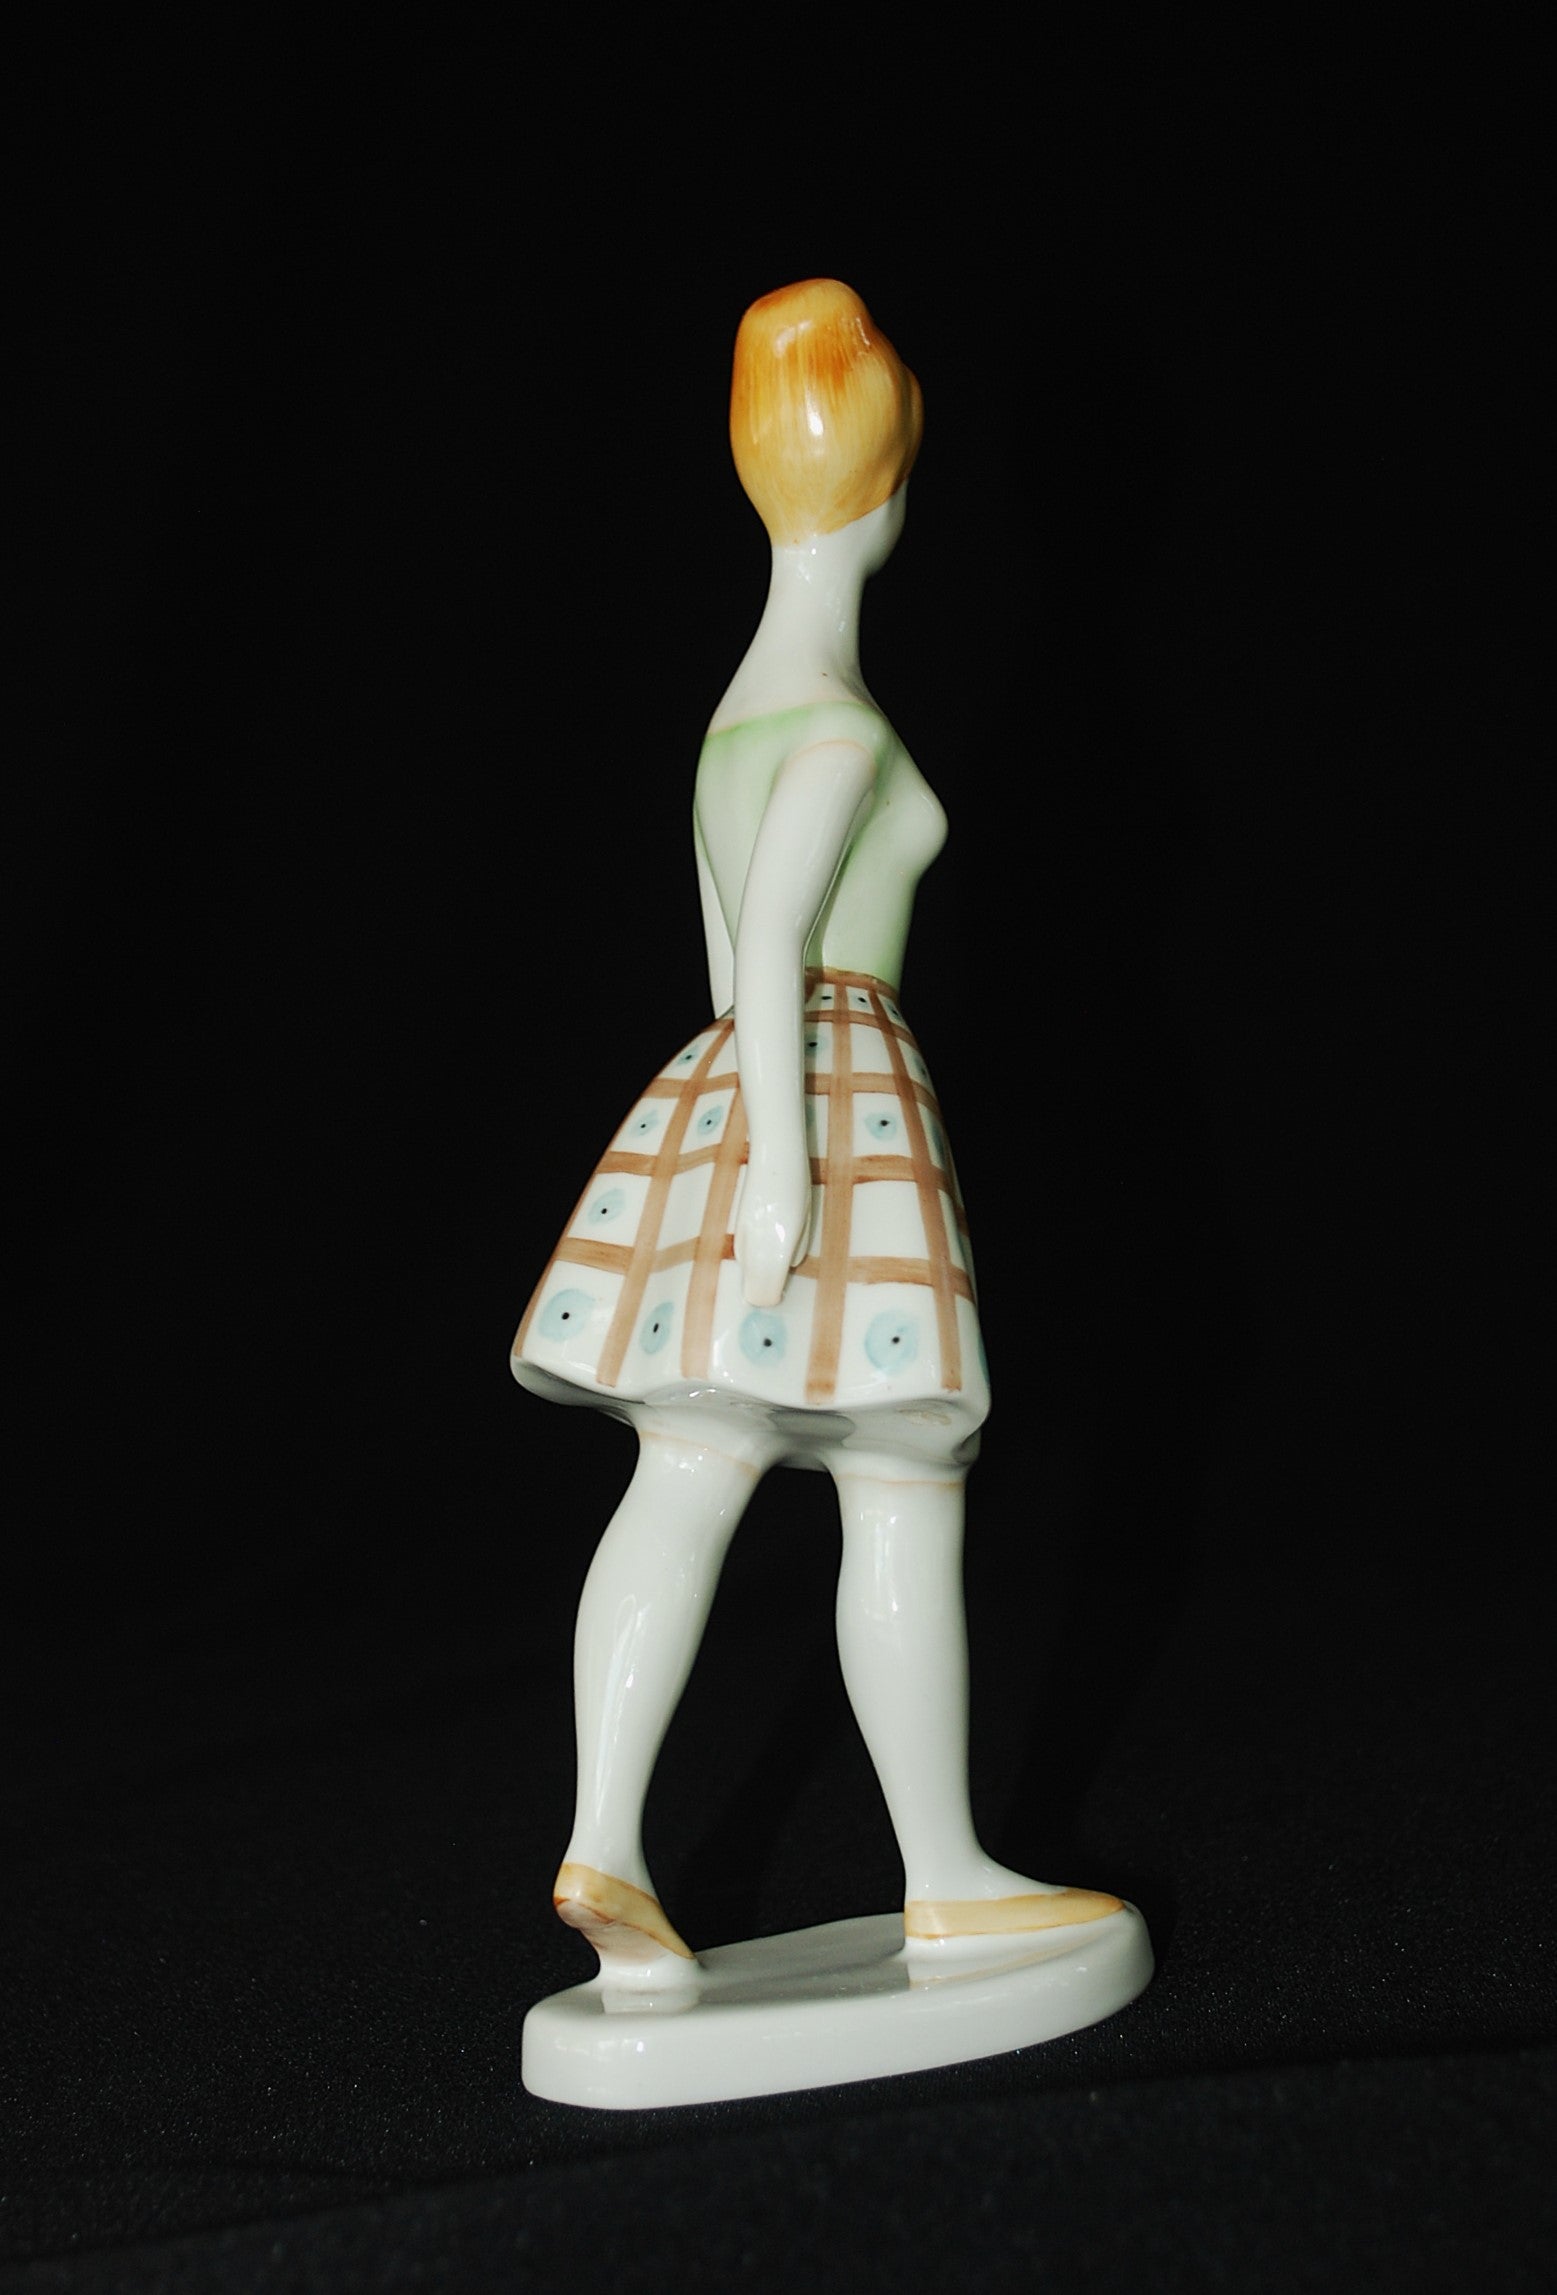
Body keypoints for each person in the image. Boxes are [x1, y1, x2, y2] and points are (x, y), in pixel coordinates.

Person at [513, 280, 1119, 1984]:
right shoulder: (841, 723)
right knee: (902, 1483)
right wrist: (785, 1169)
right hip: (825, 1092)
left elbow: (725, 972)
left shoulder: (734, 717)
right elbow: (775, 941)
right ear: (890, 485)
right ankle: (943, 1871)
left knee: (685, 1468)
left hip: (734, 1076)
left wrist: (743, 1137)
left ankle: (604, 1838)